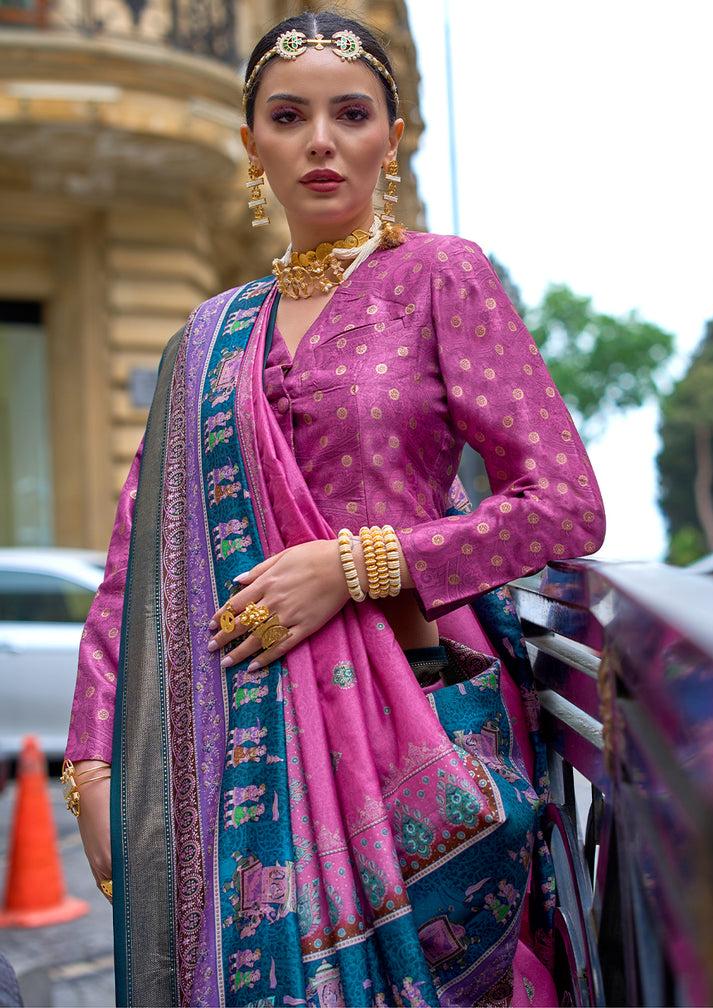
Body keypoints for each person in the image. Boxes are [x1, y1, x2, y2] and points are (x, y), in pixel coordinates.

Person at [63, 10, 605, 1007]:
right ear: (252, 144)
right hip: (233, 744)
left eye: (350, 113)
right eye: (289, 115)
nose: (320, 139)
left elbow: (565, 509)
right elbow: (134, 562)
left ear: (387, 139)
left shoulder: (443, 277)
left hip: (415, 715)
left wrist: (358, 566)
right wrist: (94, 763)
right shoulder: (207, 337)